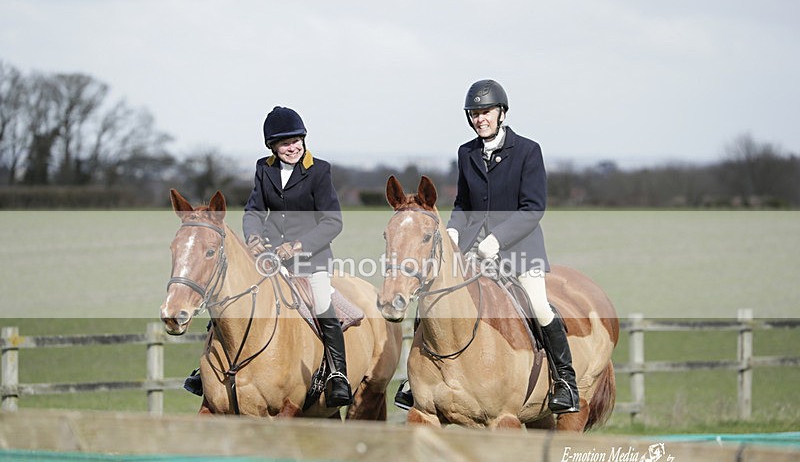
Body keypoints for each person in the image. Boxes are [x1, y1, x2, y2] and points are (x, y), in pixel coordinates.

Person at [395, 79, 579, 414]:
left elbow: (533, 208)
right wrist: (451, 234)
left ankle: (565, 381)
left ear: (501, 113)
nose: (480, 119)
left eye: (486, 112)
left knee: (538, 305)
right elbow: (464, 204)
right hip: (473, 251)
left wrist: (497, 239)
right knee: (433, 298)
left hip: (519, 251)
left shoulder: (528, 151)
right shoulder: (466, 153)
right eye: (475, 113)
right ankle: (414, 379)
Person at [184, 106, 353, 408]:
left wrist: (297, 246)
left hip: (311, 258)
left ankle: (337, 373)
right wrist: (253, 238)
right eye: (285, 143)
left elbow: (332, 222)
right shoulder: (265, 168)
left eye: (297, 140)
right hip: (270, 257)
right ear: (272, 147)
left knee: (321, 301)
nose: (293, 147)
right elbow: (253, 210)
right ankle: (207, 370)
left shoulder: (320, 170)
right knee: (234, 296)